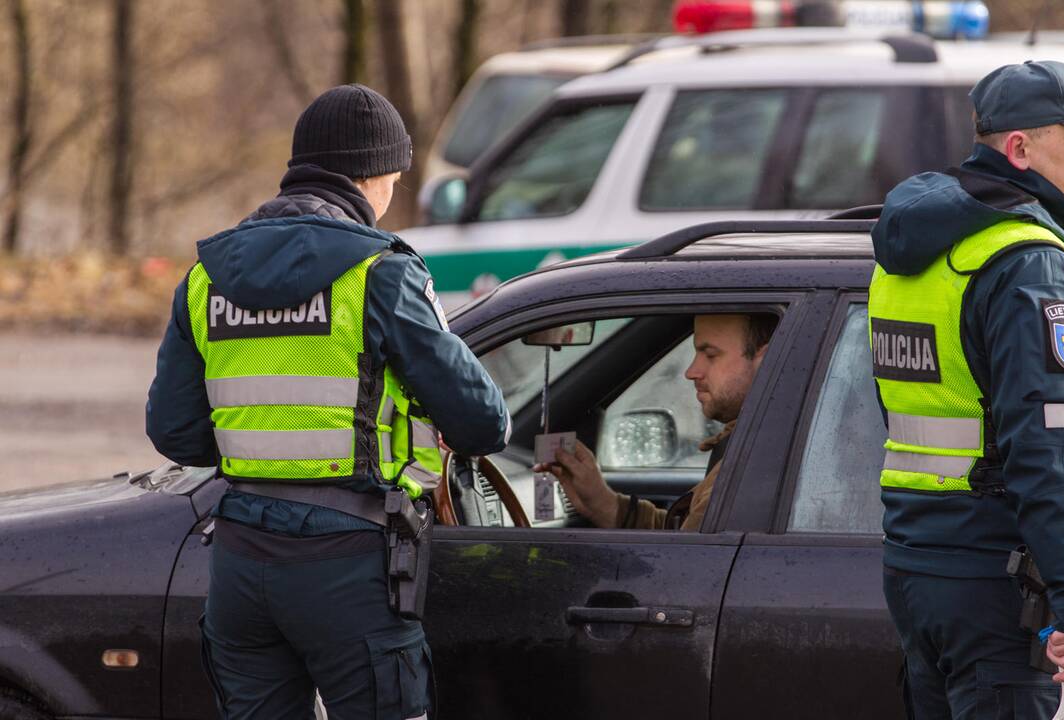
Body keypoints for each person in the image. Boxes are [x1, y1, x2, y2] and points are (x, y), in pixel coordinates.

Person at [146, 84, 510, 720]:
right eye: (394, 177)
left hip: (238, 564)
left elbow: (176, 431)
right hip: (351, 567)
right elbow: (481, 421)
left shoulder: (205, 278)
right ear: (372, 175)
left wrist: (259, 448)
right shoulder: (383, 271)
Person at [868, 60, 1064, 718]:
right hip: (1000, 585)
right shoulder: (1026, 259)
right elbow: (1050, 443)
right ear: (1020, 148)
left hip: (916, 569)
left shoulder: (909, 253)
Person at [538, 313, 775, 531]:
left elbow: (688, 558)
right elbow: (684, 537)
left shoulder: (759, 466)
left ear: (764, 361)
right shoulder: (758, 442)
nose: (691, 371)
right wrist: (603, 503)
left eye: (711, 355)